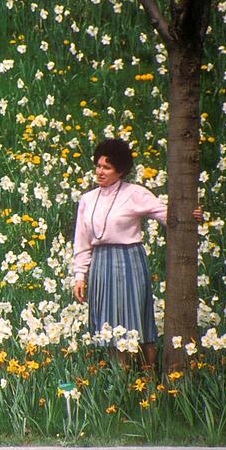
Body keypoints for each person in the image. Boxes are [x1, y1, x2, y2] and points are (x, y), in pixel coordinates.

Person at [72, 139, 201, 370]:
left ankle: (148, 376)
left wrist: (191, 215)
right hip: (100, 264)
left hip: (129, 261)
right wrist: (80, 276)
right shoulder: (87, 200)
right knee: (108, 321)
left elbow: (167, 215)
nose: (100, 172)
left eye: (107, 167)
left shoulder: (134, 194)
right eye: (98, 166)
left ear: (120, 171)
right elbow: (81, 241)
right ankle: (120, 374)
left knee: (135, 316)